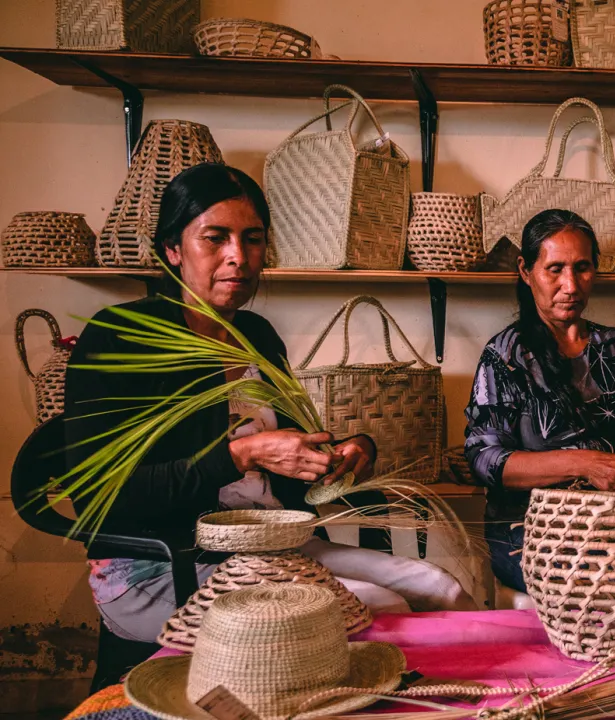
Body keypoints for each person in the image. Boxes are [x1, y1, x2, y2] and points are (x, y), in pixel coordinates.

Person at [64, 163, 475, 645]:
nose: (238, 256)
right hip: (157, 564)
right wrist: (242, 455)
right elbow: (99, 497)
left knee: (441, 587)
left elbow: (292, 464)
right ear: (173, 250)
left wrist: (340, 454)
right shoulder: (123, 337)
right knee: (377, 608)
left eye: (252, 238)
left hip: (271, 546)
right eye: (214, 238)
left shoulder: (258, 336)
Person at [464, 209, 615, 593]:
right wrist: (586, 464)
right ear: (526, 270)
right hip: (533, 533)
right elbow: (484, 461)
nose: (571, 285)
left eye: (582, 268)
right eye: (555, 269)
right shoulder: (505, 357)